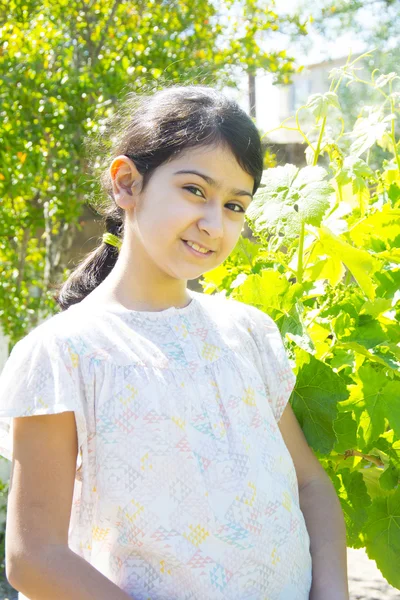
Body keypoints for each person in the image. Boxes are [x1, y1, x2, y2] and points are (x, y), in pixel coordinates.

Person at [0, 85, 348, 600]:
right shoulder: (65, 352)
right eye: (194, 190)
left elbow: (312, 486)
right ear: (126, 183)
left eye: (235, 205)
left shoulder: (249, 333)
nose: (214, 223)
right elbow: (34, 558)